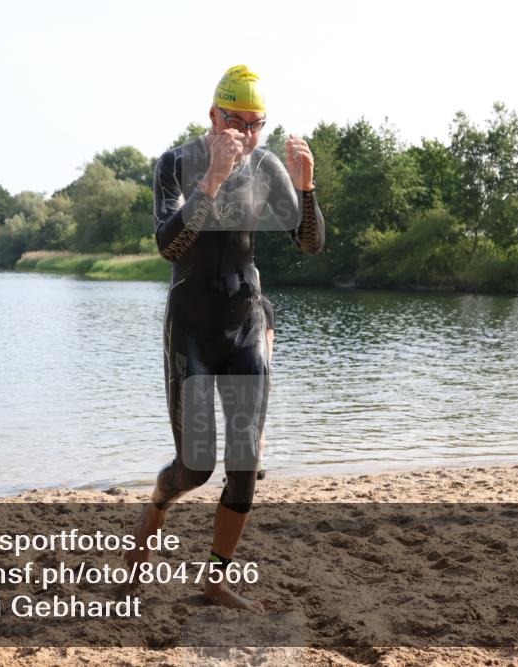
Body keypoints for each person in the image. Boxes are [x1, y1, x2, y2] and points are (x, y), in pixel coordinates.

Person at [125, 65, 324, 613]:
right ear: (212, 115)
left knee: (244, 465)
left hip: (245, 327)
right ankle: (158, 503)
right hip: (191, 329)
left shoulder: (266, 166)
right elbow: (169, 245)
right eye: (235, 121)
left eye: (256, 124)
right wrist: (211, 179)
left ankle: (215, 580)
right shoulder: (176, 163)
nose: (246, 134)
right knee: (195, 467)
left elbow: (309, 243)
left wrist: (306, 187)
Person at [257, 296, 275, 481]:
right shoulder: (264, 303)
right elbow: (269, 338)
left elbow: (269, 337)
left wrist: (267, 369)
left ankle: (256, 465)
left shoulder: (263, 303)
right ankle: (257, 464)